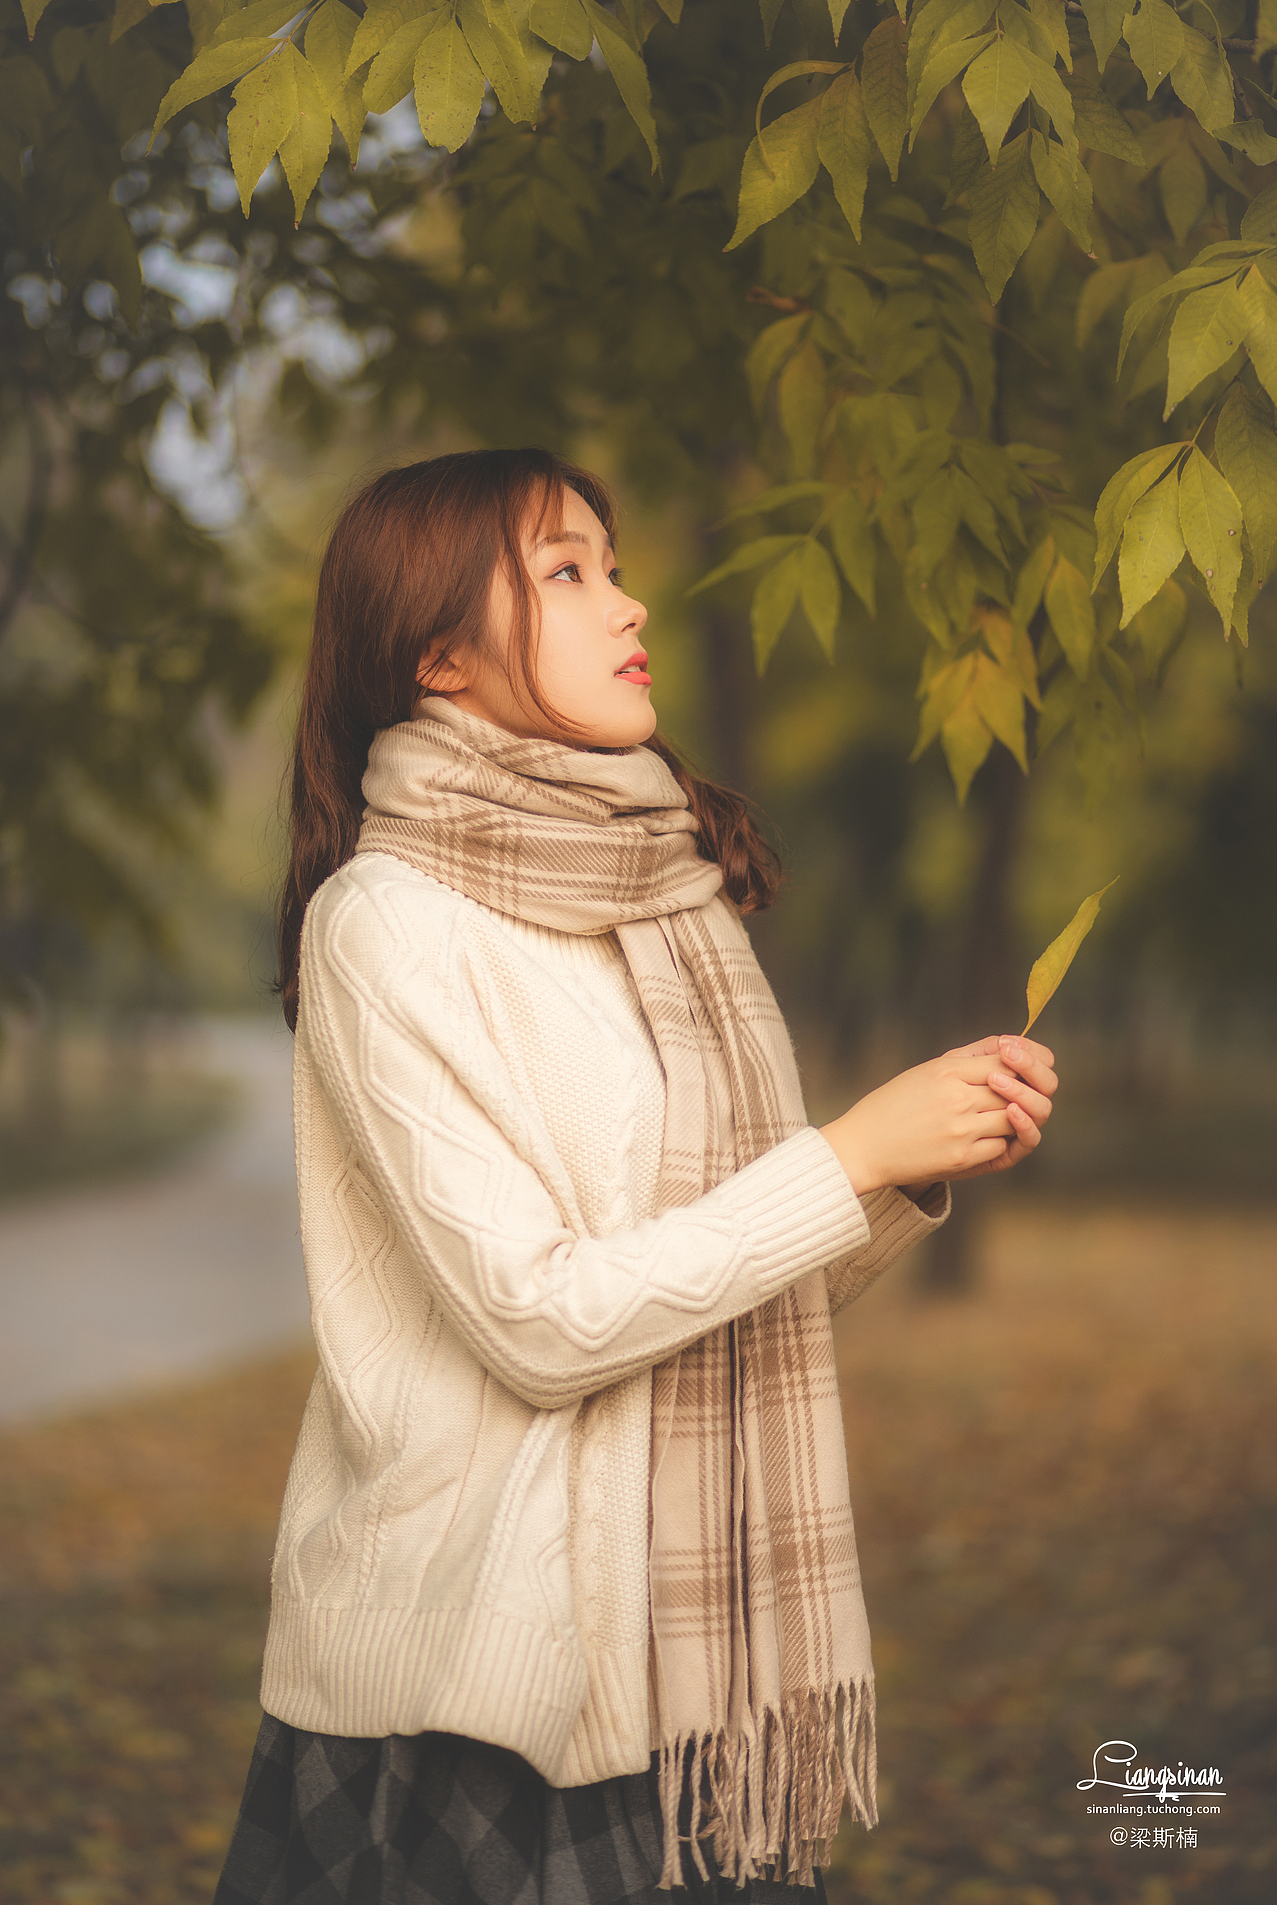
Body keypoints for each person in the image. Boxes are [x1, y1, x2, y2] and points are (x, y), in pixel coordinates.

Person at [214, 448, 1057, 1905]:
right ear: (438, 658)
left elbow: (715, 1294)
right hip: (462, 1698)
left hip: (682, 1678)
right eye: (566, 571)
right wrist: (845, 1151)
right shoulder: (388, 925)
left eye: (612, 562)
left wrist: (910, 1168)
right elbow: (546, 1324)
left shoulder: (670, 905)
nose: (630, 599)